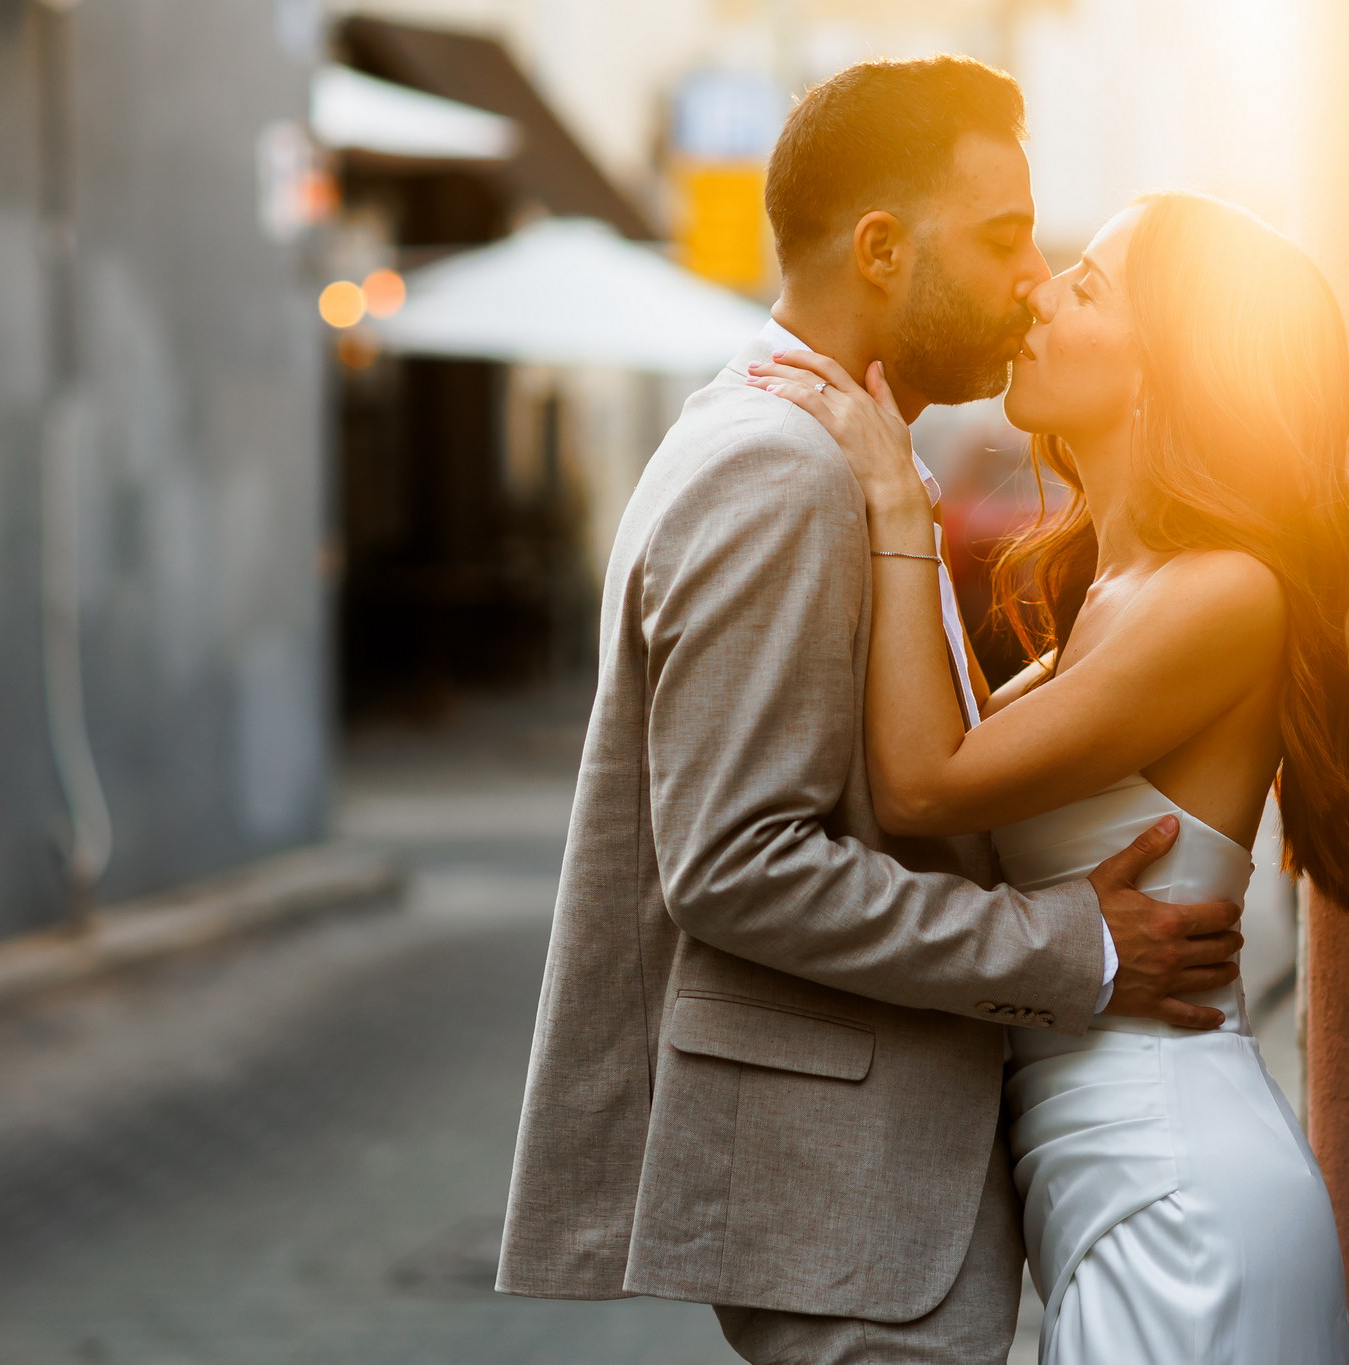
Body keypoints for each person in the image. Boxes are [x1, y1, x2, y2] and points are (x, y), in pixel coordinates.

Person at [495, 56, 1246, 1365]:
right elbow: (733, 864)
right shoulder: (782, 468)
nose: (1032, 279)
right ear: (883, 250)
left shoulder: (831, 446)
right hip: (849, 1201)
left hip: (875, 1189)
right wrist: (1069, 948)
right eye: (1003, 238)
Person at [750, 189, 1349, 1361]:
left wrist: (897, 501)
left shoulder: (1224, 593)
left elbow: (923, 785)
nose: (1036, 292)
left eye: (1085, 287)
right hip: (1110, 1192)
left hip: (1177, 1202)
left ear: (1164, 366)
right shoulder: (1111, 595)